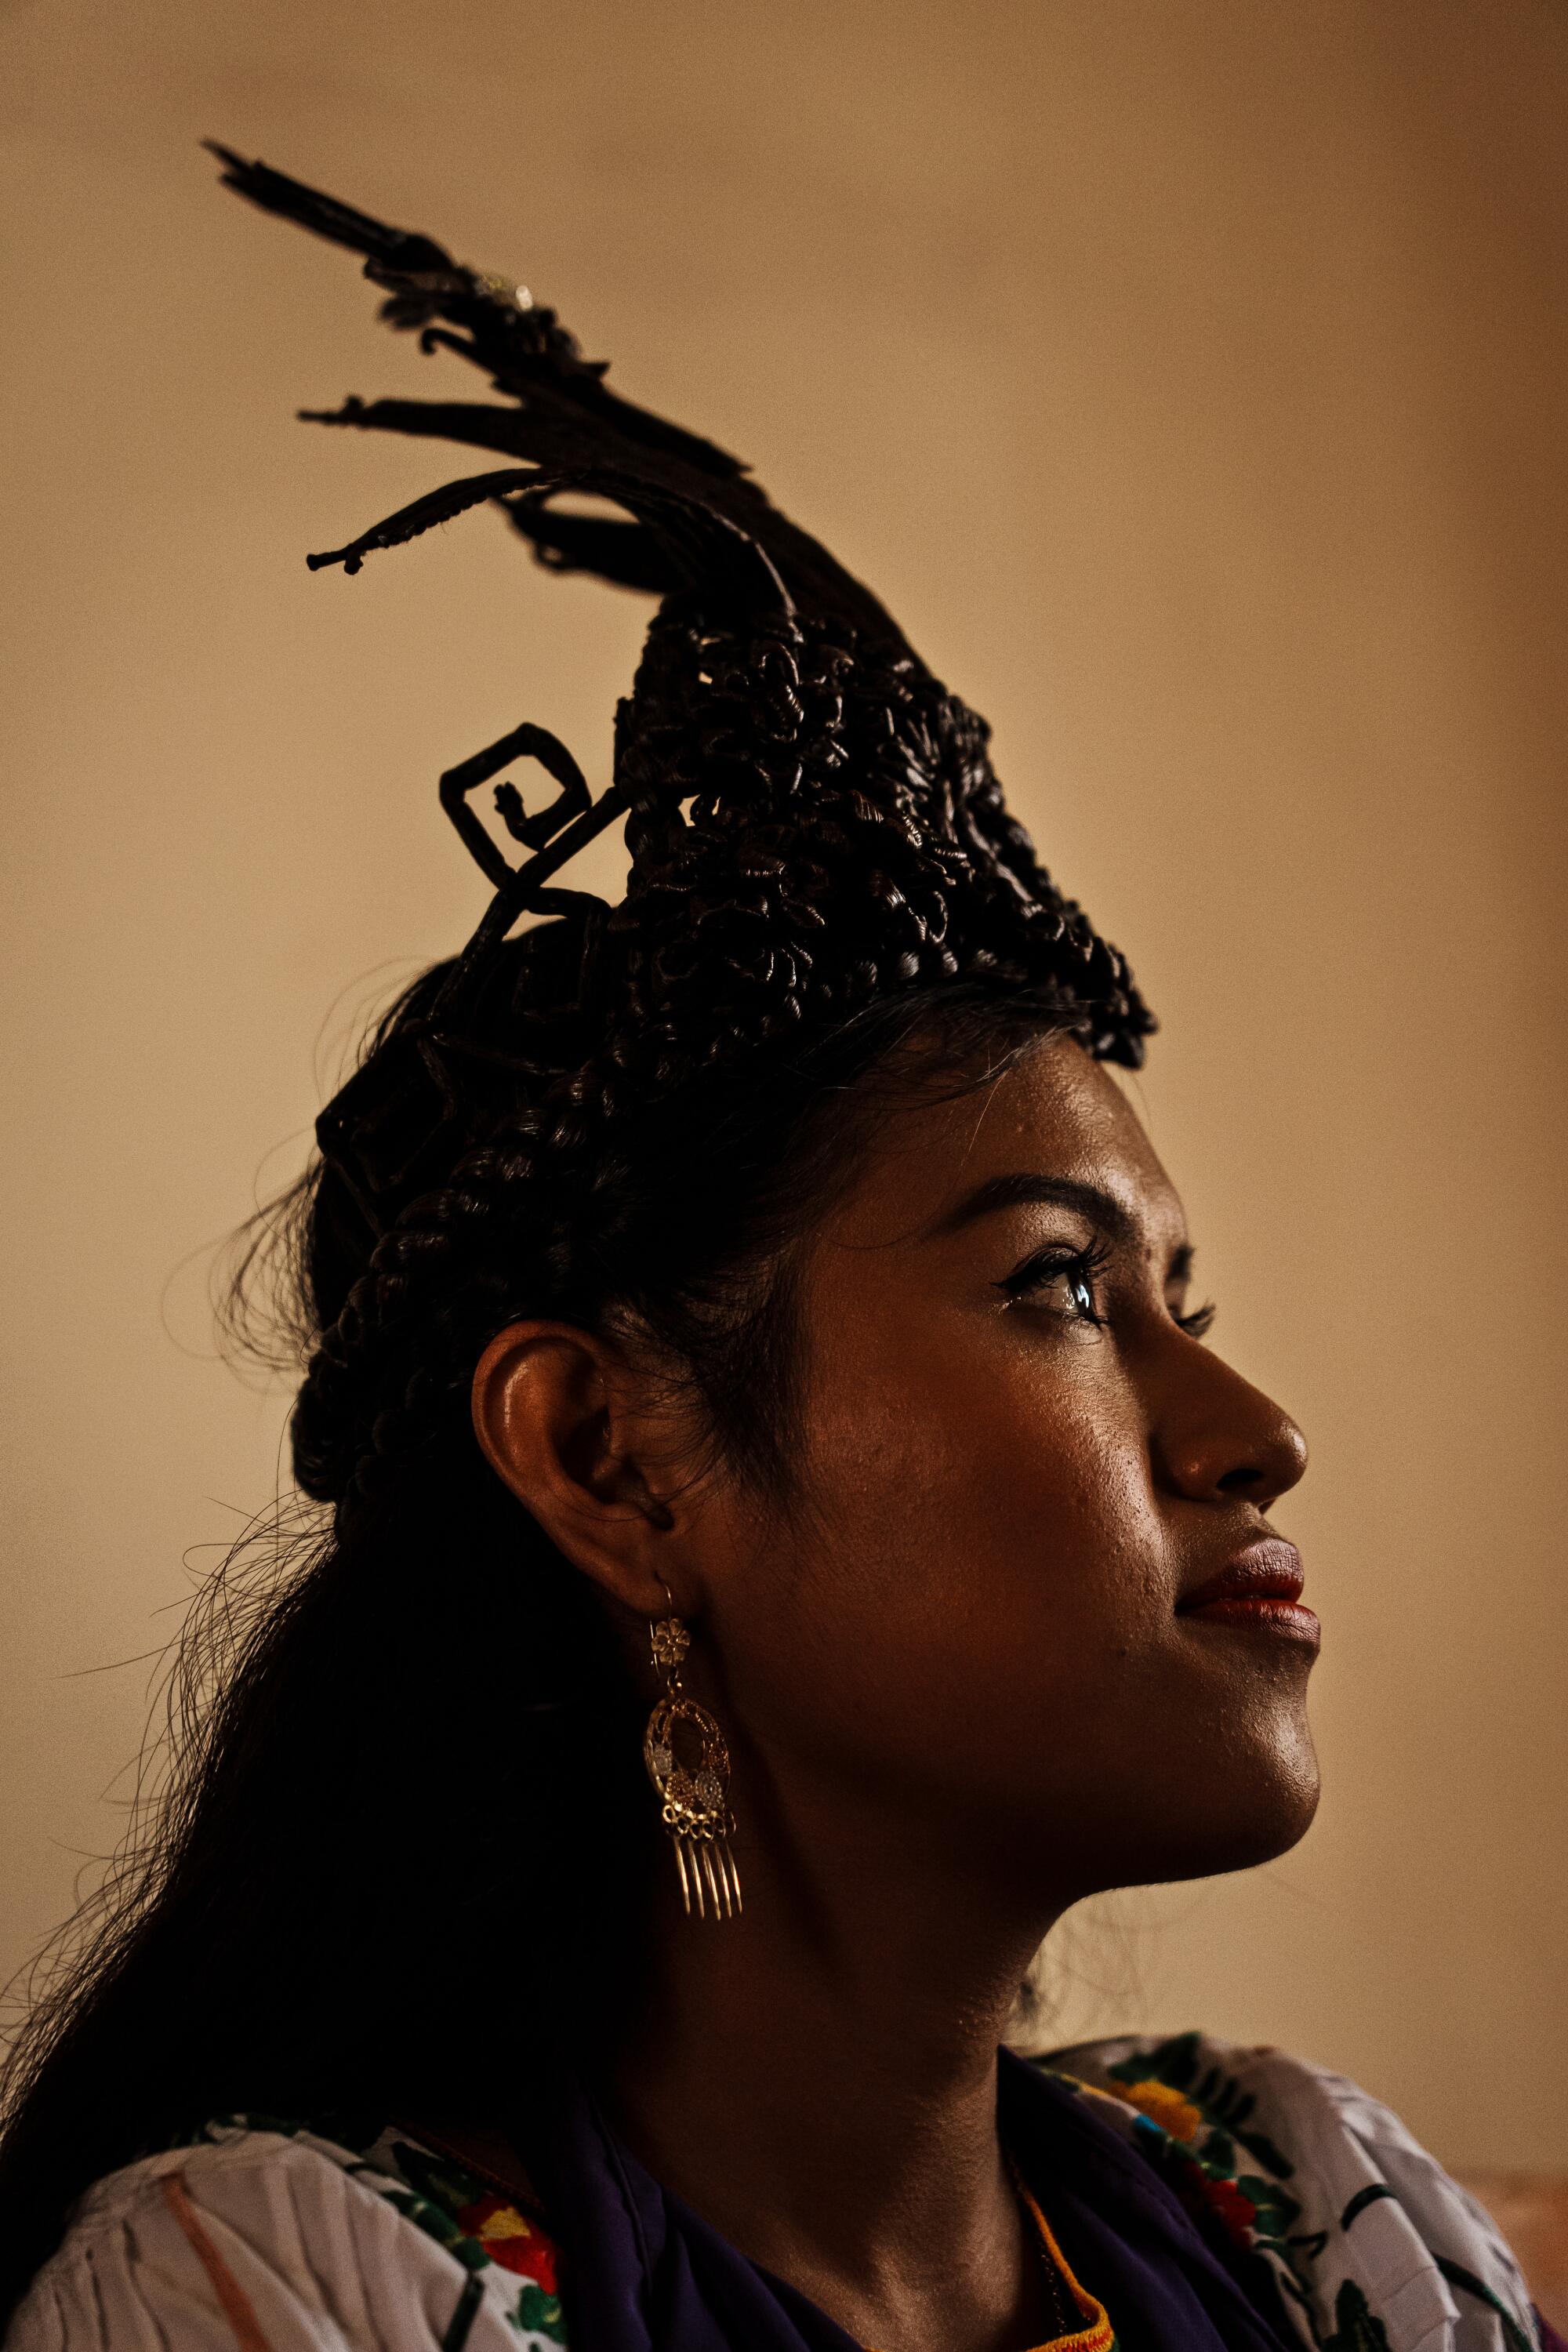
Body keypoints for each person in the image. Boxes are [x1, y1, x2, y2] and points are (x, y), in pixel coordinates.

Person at [0, 151, 1548, 2352]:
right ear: (614, 1457)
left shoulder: (1320, 2230)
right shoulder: (284, 2292)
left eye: (1187, 1304)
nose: (1258, 1432)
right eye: (1060, 1288)